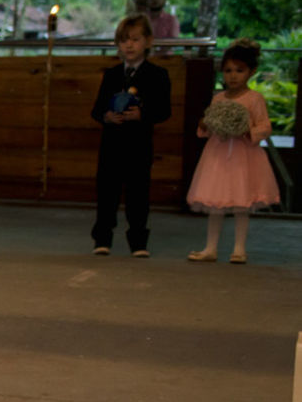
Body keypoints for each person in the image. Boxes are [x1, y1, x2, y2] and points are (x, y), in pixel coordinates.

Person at [185, 39, 280, 264]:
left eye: (239, 70)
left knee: (242, 202)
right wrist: (206, 124)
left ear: (251, 71)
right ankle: (210, 248)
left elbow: (265, 126)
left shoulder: (254, 99)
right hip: (218, 156)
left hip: (243, 157)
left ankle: (239, 249)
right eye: (228, 71)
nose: (233, 76)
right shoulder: (218, 98)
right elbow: (209, 125)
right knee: (215, 204)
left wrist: (247, 131)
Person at [90, 14, 172, 257]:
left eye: (135, 40)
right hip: (111, 144)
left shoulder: (157, 75)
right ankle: (102, 239)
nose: (129, 45)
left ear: (148, 42)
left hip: (139, 144)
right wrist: (106, 116)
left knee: (138, 193)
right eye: (124, 41)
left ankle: (138, 242)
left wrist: (142, 114)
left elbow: (164, 111)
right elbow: (96, 109)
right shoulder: (112, 74)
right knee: (107, 193)